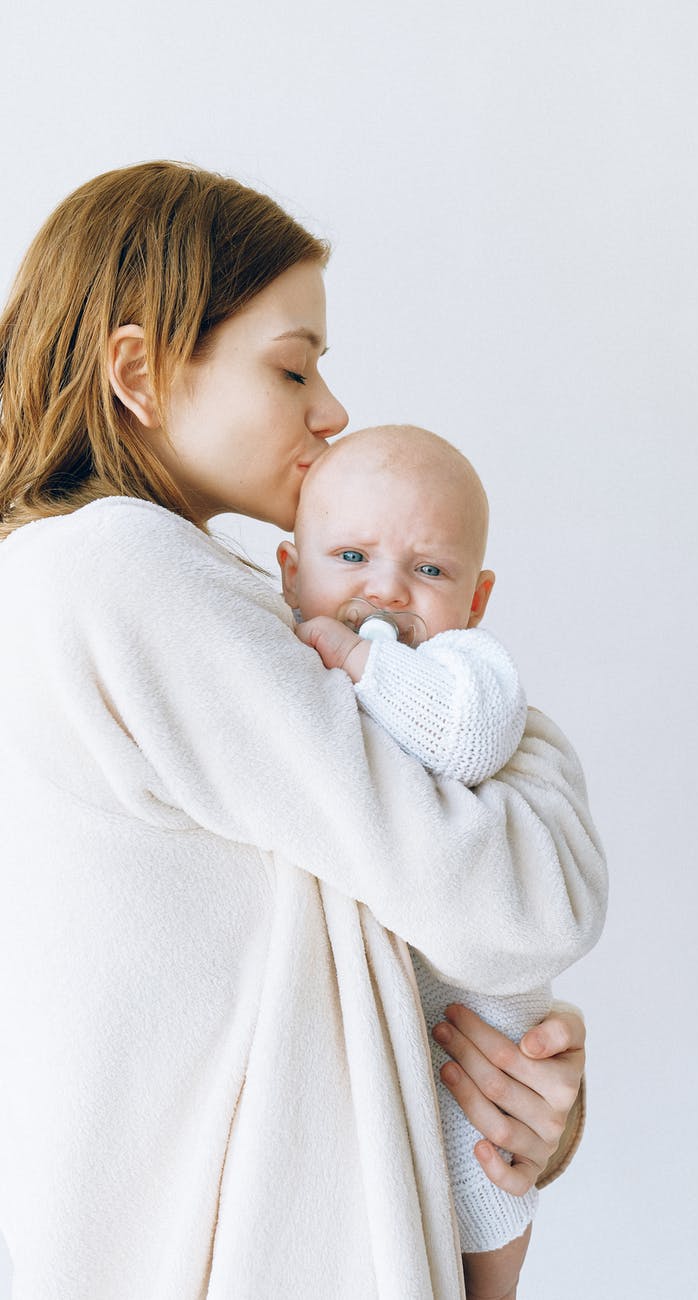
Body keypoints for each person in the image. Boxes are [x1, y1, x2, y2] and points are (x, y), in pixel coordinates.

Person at [0, 161, 607, 1300]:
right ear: (136, 369)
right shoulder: (119, 574)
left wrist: (510, 1104)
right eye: (292, 365)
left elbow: (385, 920)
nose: (331, 411)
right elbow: (530, 904)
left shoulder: (98, 593)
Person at [276, 423, 583, 1256]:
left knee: (488, 1198)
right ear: (287, 570)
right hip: (381, 1061)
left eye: (429, 571)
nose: (387, 593)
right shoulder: (268, 659)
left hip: (476, 1031)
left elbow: (464, 740)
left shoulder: (470, 672)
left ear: (475, 602)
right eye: (350, 558)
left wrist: (362, 663)